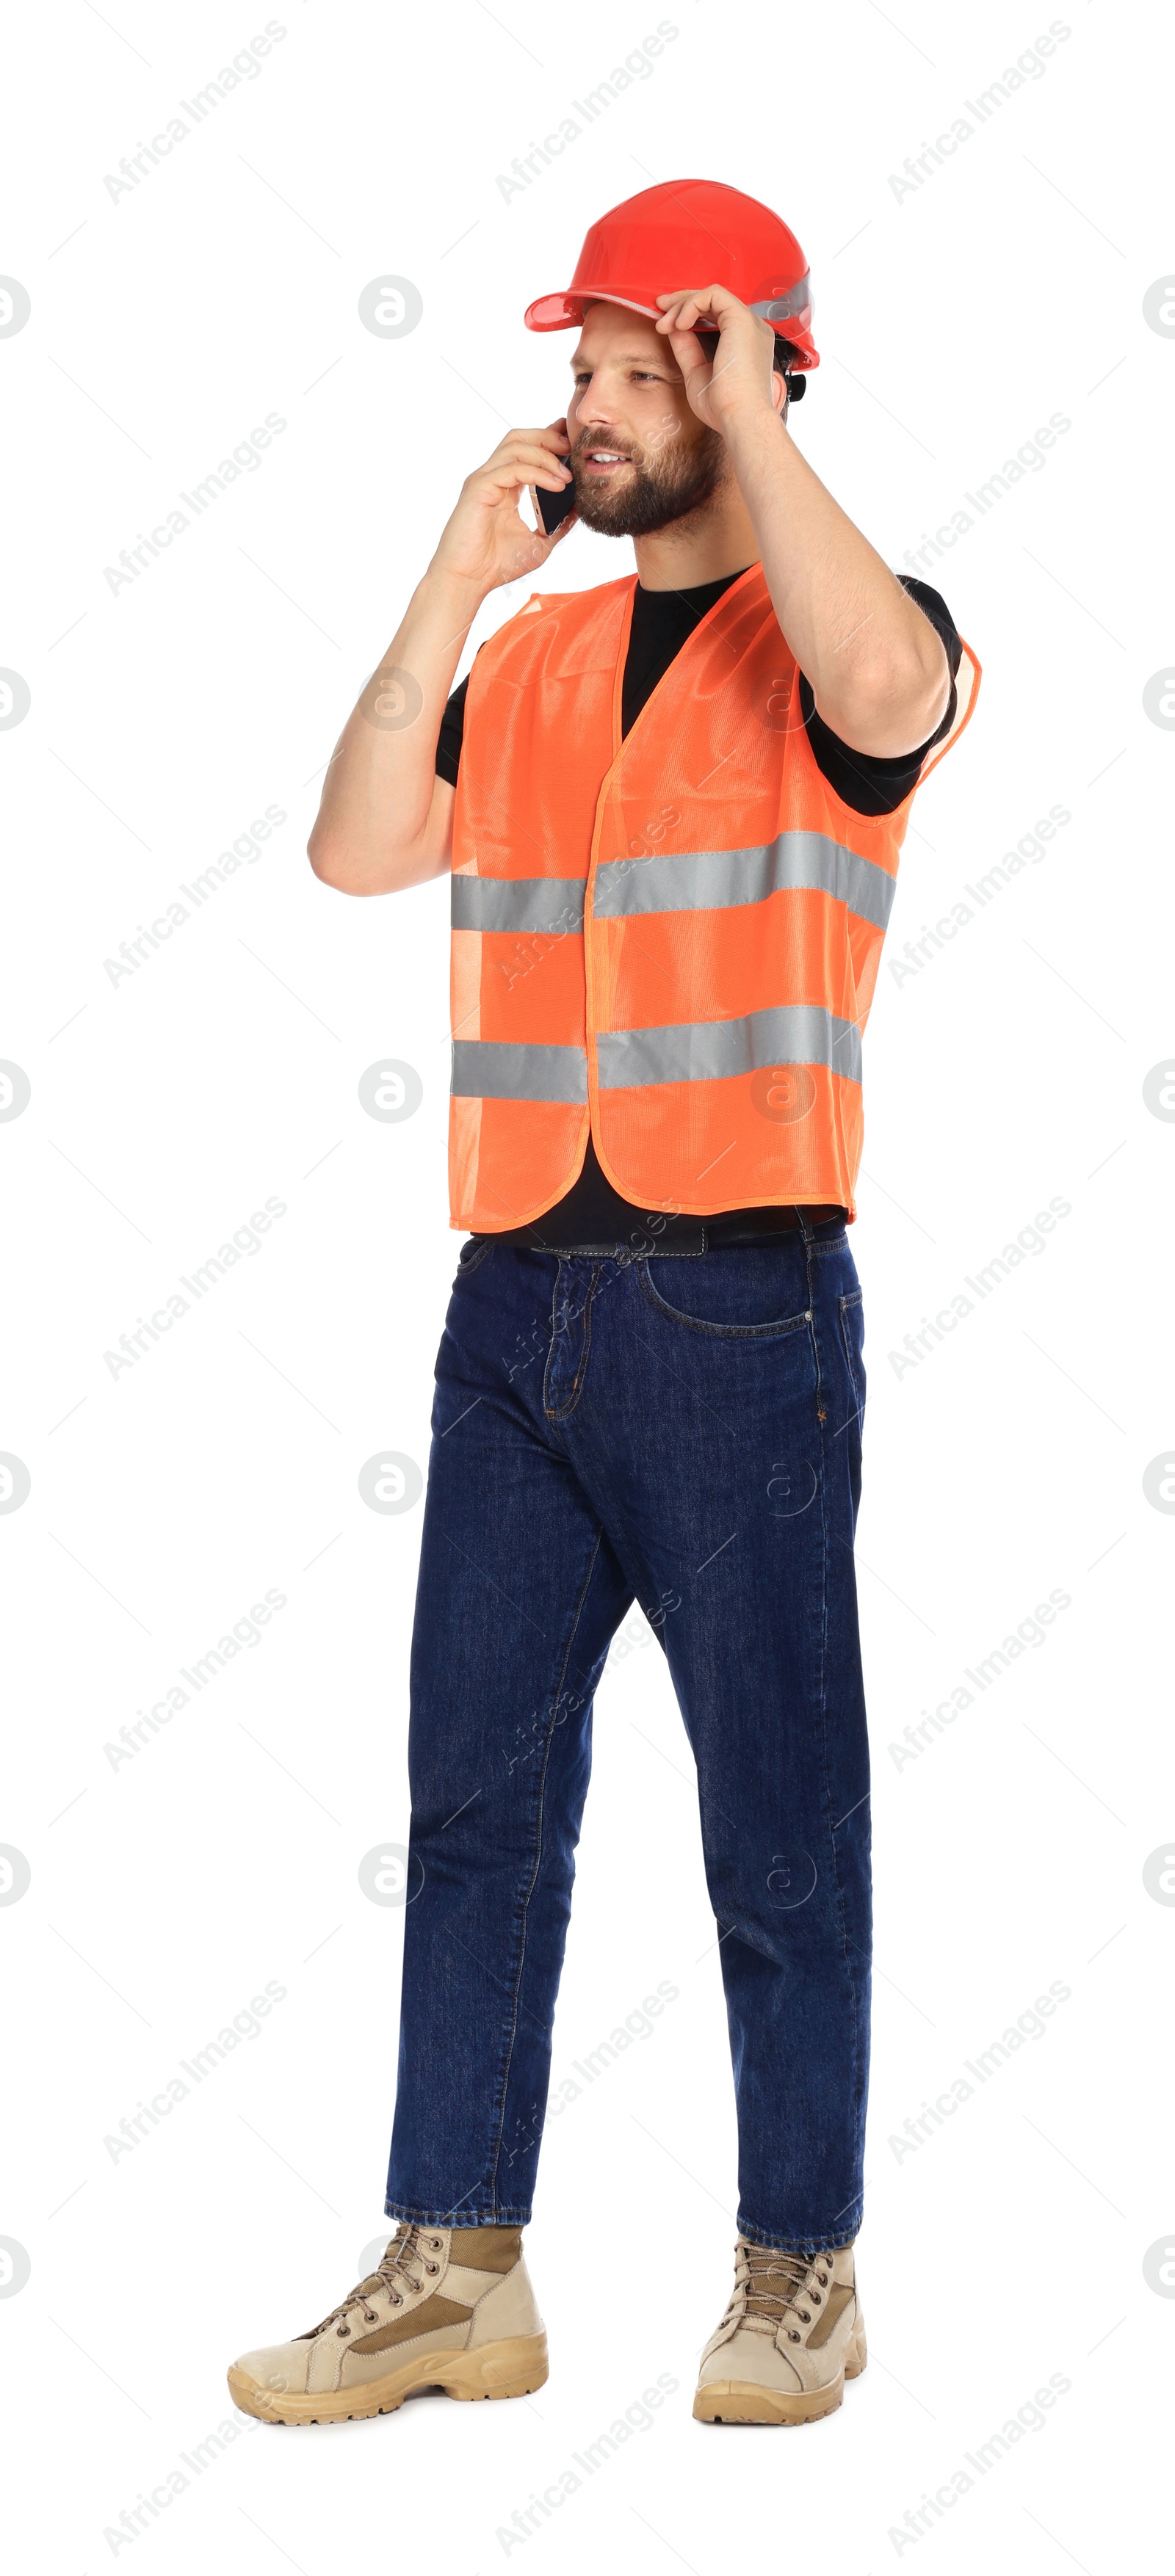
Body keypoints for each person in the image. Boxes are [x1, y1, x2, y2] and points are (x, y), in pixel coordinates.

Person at [228, 178, 979, 2431]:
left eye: (645, 368)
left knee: (778, 1822)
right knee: (473, 1807)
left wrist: (759, 411)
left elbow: (889, 688)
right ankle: (458, 2265)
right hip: (512, 1306)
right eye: (589, 372)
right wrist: (458, 577)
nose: (594, 408)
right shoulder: (537, 655)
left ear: (757, 382)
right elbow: (359, 845)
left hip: (739, 1312)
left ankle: (799, 2271)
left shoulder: (854, 627)